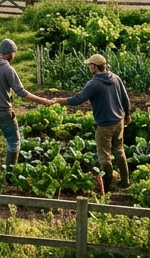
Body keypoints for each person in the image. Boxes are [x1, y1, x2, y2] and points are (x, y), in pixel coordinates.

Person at [0, 38, 54, 180]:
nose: (15, 56)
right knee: (14, 141)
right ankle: (10, 177)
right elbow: (22, 92)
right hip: (4, 112)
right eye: (14, 53)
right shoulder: (7, 69)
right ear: (10, 53)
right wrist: (42, 100)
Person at [55, 54, 131, 193]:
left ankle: (107, 186)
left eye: (90, 65)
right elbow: (125, 99)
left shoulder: (94, 83)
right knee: (119, 151)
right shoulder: (115, 78)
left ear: (95, 67)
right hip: (119, 121)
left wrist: (58, 100)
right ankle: (125, 182)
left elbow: (77, 99)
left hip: (104, 125)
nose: (89, 67)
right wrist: (128, 115)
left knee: (104, 155)